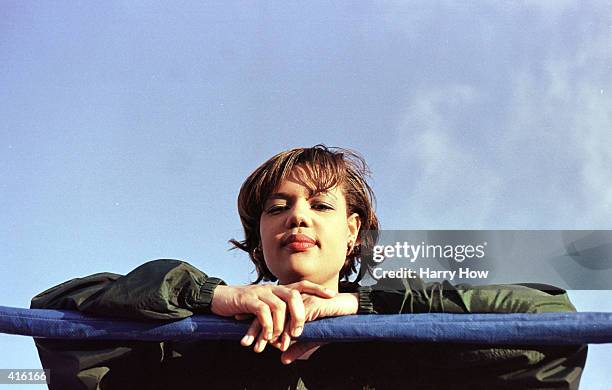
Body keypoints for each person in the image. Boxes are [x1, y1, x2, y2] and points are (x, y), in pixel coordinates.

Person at [31, 145, 587, 389]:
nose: (297, 217)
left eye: (321, 205)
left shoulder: (407, 344)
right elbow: (55, 314)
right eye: (278, 208)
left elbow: (551, 326)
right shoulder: (196, 340)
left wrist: (366, 309)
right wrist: (211, 299)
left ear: (353, 232)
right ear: (260, 240)